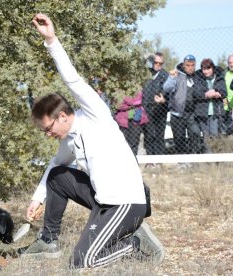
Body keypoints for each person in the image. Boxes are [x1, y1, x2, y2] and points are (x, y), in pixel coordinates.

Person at [19, 14, 165, 268]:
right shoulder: (69, 140)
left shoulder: (95, 114)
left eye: (48, 127)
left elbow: (72, 79)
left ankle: (136, 243)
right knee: (57, 174)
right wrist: (37, 198)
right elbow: (55, 165)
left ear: (62, 116)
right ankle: (49, 240)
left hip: (126, 202)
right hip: (103, 201)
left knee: (83, 260)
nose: (48, 133)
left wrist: (51, 41)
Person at [163, 54, 203, 154]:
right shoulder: (177, 74)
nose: (190, 67)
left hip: (192, 114)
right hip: (177, 113)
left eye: (192, 65)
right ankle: (182, 162)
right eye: (188, 65)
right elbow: (166, 88)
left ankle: (193, 159)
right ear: (183, 65)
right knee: (179, 139)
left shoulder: (197, 76)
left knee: (195, 134)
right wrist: (171, 78)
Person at [194, 58, 226, 152]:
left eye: (208, 68)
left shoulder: (219, 77)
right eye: (204, 69)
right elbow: (196, 92)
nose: (206, 71)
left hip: (215, 112)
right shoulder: (198, 78)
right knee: (206, 136)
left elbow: (224, 91)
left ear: (212, 68)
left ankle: (217, 158)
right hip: (203, 112)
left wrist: (215, 91)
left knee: (214, 134)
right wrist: (206, 94)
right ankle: (209, 158)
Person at [142, 53, 169, 156]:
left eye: (160, 63)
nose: (158, 64)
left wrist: (164, 100)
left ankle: (159, 160)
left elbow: (170, 93)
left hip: (160, 111)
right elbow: (139, 66)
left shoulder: (165, 76)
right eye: (156, 62)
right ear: (152, 62)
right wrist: (146, 57)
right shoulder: (147, 74)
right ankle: (150, 160)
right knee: (148, 136)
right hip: (147, 110)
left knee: (159, 136)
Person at [114, 91, 149, 156]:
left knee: (134, 142)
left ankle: (134, 160)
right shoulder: (118, 89)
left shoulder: (137, 89)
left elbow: (138, 100)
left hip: (136, 119)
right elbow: (118, 105)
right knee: (123, 142)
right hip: (122, 121)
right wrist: (132, 104)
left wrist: (125, 100)